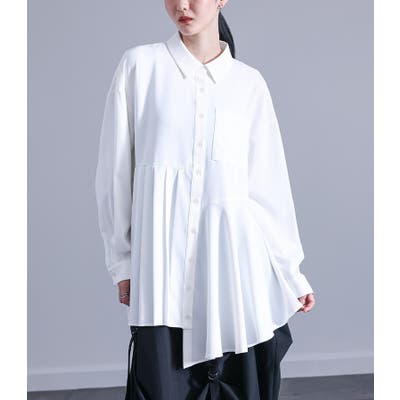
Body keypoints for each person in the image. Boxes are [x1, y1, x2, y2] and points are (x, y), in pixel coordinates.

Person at [95, 0, 316, 399]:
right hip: (161, 277)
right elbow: (115, 174)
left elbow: (268, 187)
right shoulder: (140, 68)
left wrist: (290, 271)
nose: (182, 5)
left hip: (234, 278)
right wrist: (121, 261)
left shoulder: (249, 84)